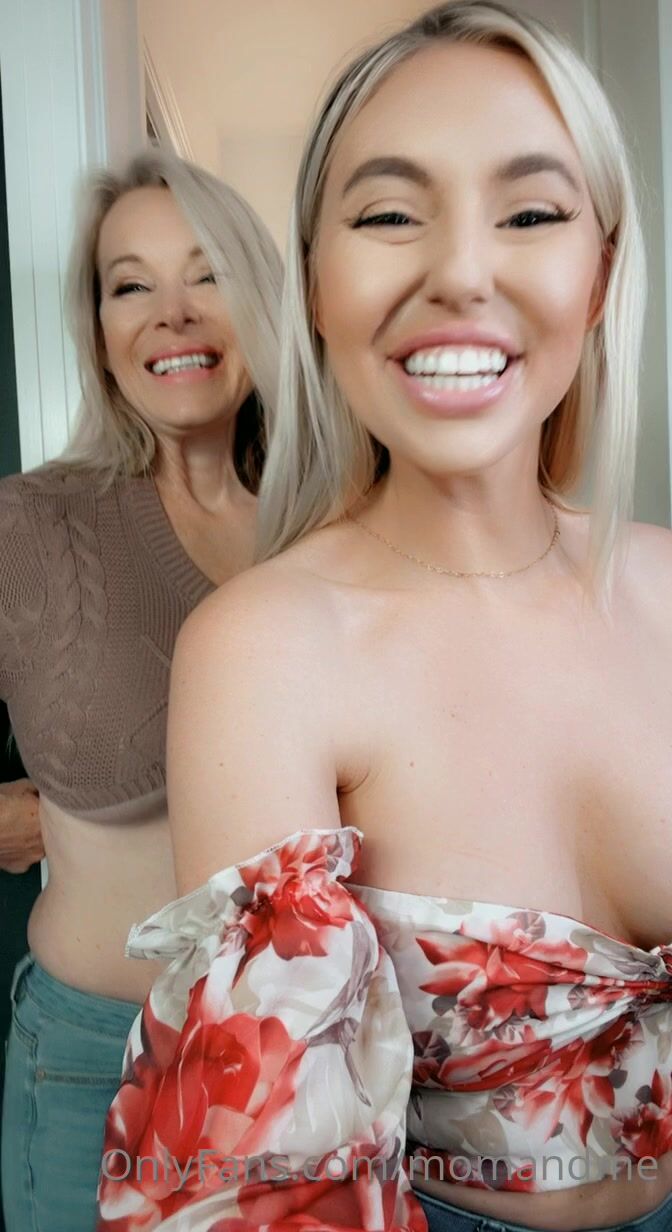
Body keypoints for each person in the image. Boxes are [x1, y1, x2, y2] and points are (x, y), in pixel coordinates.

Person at [95, 4, 672, 1231]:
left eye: (531, 213)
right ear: (314, 282)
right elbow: (271, 1191)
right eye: (391, 215)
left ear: (602, 273)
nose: (461, 271)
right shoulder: (267, 648)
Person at [0, 149, 282, 1232]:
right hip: (93, 1069)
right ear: (98, 326)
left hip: (303, 1071)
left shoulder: (335, 523)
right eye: (131, 285)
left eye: (208, 274)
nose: (172, 313)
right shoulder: (33, 525)